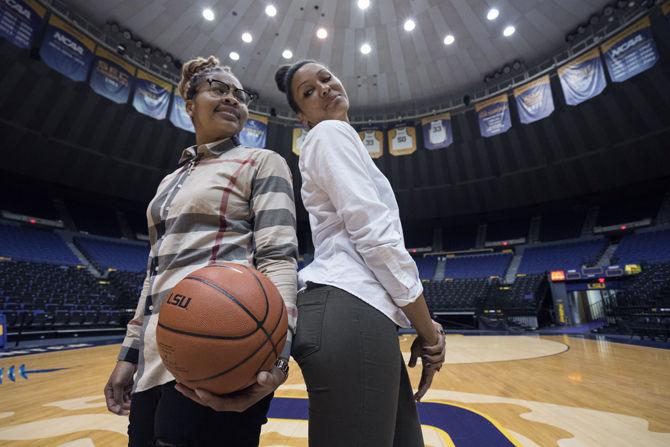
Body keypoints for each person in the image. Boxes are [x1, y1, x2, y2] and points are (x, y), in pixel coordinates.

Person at [104, 55, 298, 447]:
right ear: (189, 105)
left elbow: (278, 258)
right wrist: (129, 355)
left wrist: (278, 354)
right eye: (219, 90)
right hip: (156, 357)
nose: (232, 100)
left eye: (239, 96)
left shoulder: (261, 161)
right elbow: (155, 273)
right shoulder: (168, 182)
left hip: (220, 353)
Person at [274, 60, 446, 447]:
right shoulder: (329, 133)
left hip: (356, 313)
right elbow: (376, 237)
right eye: (308, 92)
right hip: (349, 307)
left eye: (325, 77)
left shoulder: (336, 139)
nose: (323, 87)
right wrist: (427, 328)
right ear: (303, 118)